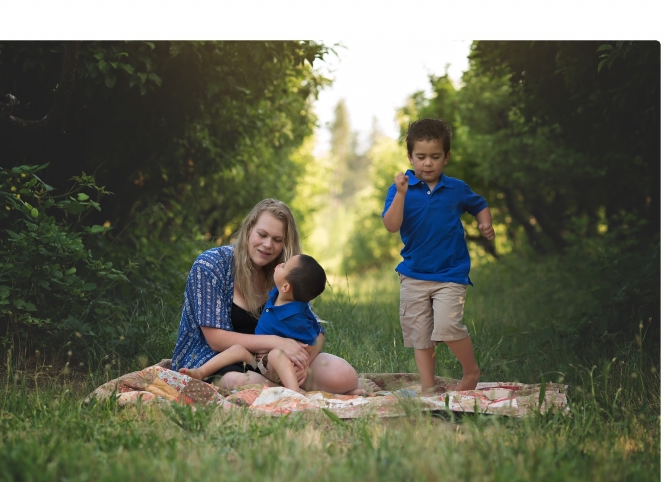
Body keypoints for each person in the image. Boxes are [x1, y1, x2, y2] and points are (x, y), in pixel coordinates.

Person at [172, 198, 374, 395]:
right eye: (262, 234)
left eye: (277, 240)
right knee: (238, 381)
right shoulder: (211, 265)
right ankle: (295, 392)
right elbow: (216, 339)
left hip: (272, 361)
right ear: (249, 229)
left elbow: (317, 332)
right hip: (216, 357)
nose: (268, 244)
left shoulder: (283, 274)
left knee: (342, 374)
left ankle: (289, 386)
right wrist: (277, 342)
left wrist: (303, 363)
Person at [382, 118, 495, 395]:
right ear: (410, 157)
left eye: (435, 156)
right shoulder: (400, 189)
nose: (428, 163)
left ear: (447, 157)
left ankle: (471, 371)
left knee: (447, 326)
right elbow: (391, 225)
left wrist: (485, 223)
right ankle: (428, 389)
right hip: (413, 275)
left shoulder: (456, 188)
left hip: (450, 274)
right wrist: (400, 194)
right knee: (420, 337)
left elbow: (479, 204)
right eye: (421, 157)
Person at [179, 253, 364, 396]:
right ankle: (201, 372)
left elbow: (314, 336)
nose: (279, 264)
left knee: (278, 354)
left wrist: (303, 360)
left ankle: (294, 393)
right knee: (237, 349)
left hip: (279, 364)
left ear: (286, 287)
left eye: (284, 266)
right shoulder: (278, 294)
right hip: (260, 363)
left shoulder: (296, 316)